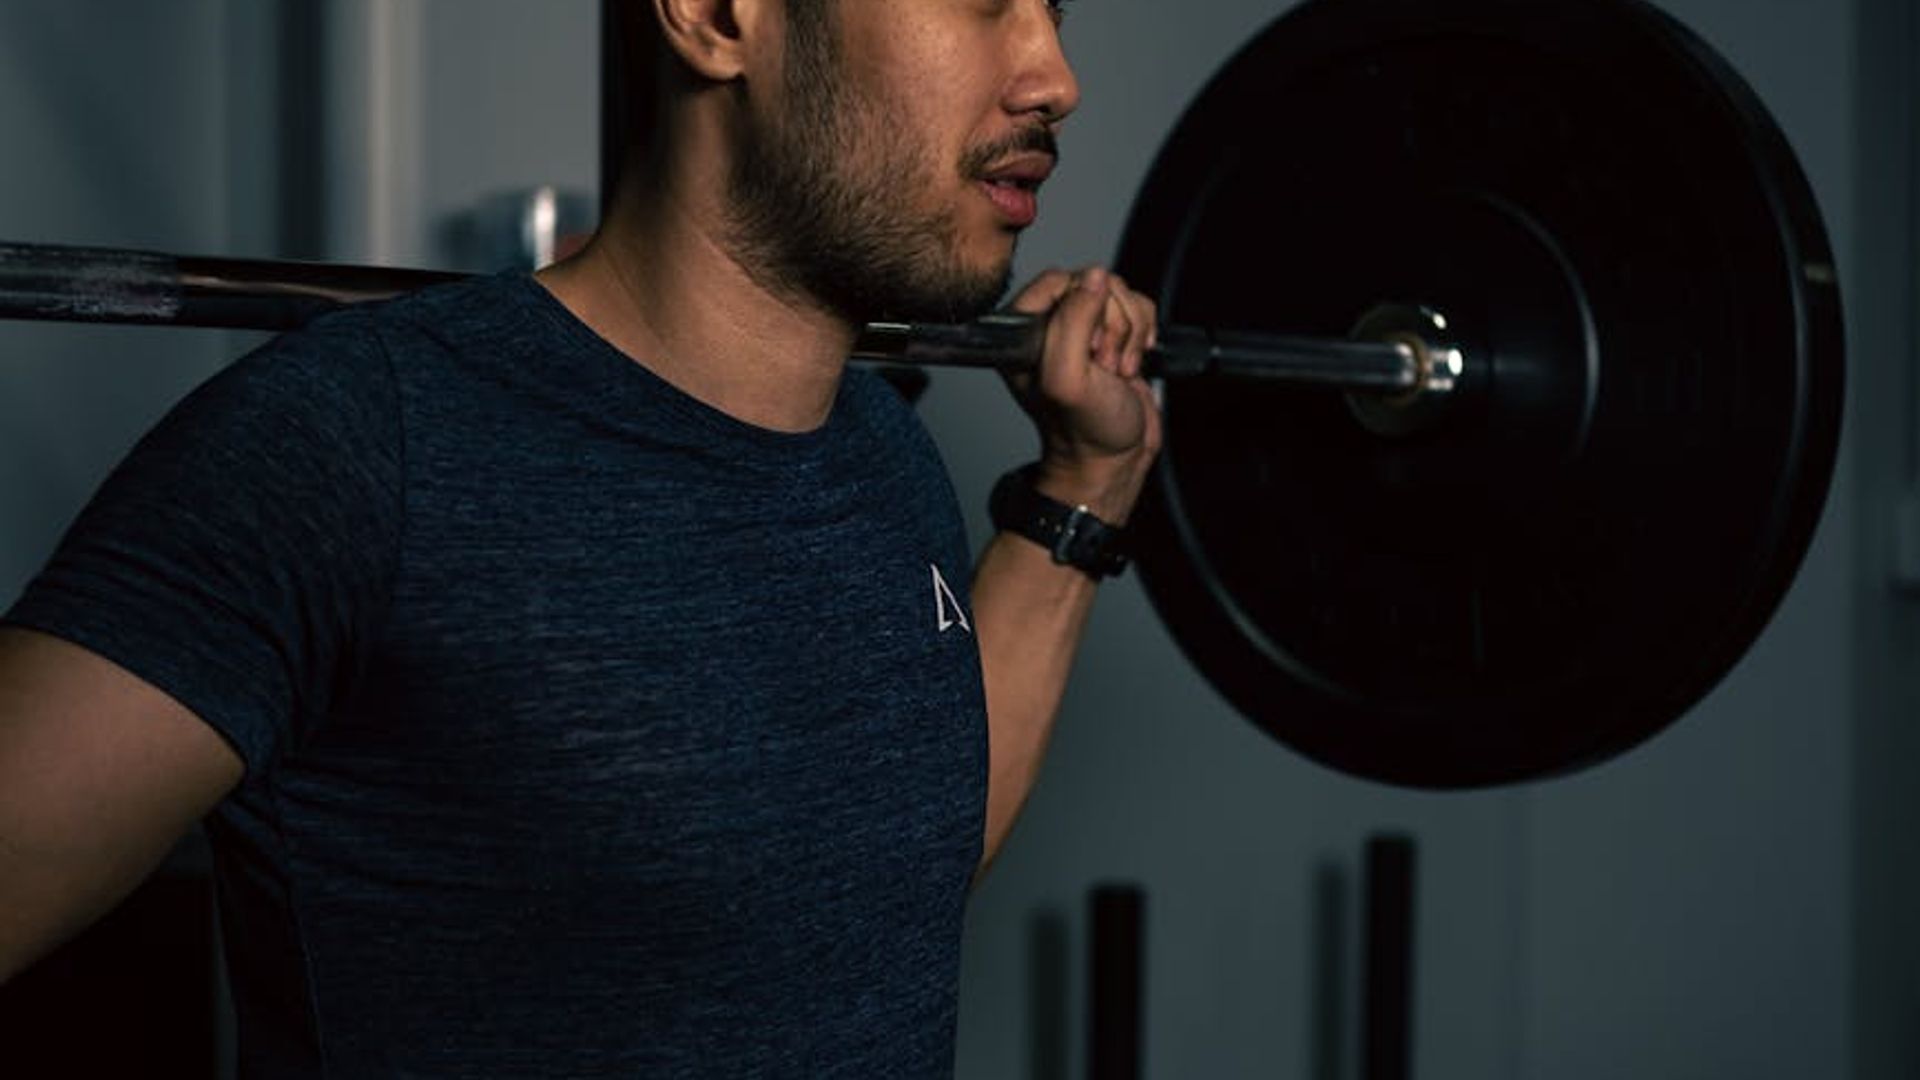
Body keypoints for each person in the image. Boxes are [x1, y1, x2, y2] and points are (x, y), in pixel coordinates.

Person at [0, 0, 1159, 1073]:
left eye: (1053, 6)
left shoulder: (885, 457)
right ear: (713, 15)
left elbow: (882, 866)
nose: (1053, 74)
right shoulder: (354, 446)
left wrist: (1086, 487)